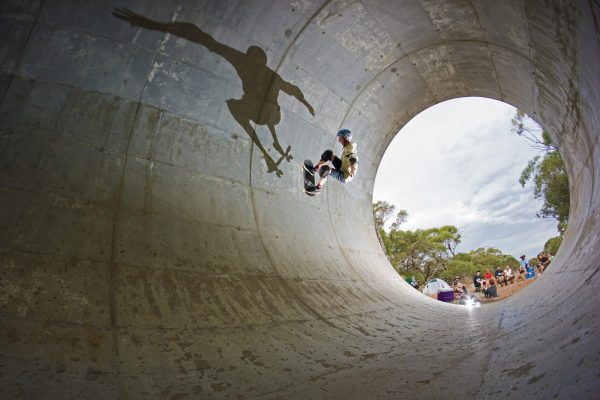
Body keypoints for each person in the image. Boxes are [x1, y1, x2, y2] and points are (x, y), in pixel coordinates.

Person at [306, 129, 358, 193]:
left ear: (345, 138)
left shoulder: (350, 148)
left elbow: (353, 158)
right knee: (328, 154)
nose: (339, 140)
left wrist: (354, 168)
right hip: (342, 166)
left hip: (344, 175)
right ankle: (314, 170)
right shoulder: (347, 146)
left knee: (325, 170)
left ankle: (317, 188)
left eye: (340, 138)